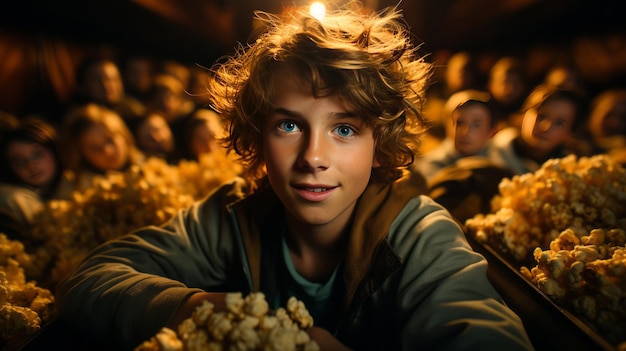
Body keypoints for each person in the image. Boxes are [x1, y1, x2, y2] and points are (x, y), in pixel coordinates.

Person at [55, 5, 534, 351]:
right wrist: (210, 310)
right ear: (258, 135)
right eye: (289, 125)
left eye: (344, 129)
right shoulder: (231, 217)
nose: (313, 157)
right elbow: (89, 280)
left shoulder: (419, 234)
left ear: (379, 144)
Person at [488, 83, 585, 175]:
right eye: (541, 116)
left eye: (559, 123)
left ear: (569, 134)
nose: (545, 127)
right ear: (525, 113)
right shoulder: (490, 150)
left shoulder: (572, 173)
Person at [56, 103, 144, 196]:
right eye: (95, 148)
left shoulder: (151, 169)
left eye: (109, 140)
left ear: (123, 135)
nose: (107, 151)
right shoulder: (76, 194)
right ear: (82, 155)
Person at [412, 89, 499, 181]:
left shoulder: (500, 162)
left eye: (476, 125)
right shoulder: (432, 165)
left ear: (492, 131)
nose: (465, 132)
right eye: (459, 123)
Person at [0, 117, 64, 240]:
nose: (31, 166)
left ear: (53, 150)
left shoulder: (81, 184)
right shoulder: (15, 202)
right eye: (19, 161)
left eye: (37, 154)